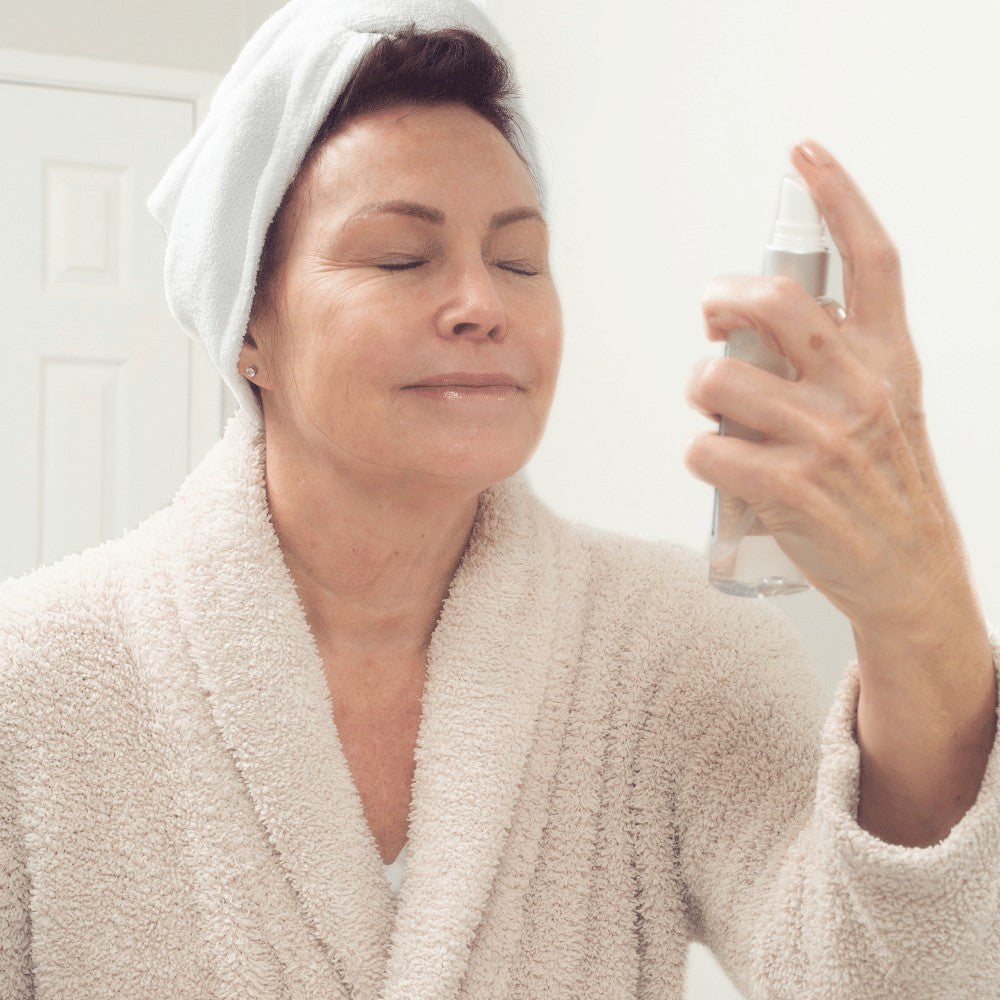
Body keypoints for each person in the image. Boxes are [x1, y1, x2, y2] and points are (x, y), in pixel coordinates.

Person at [1, 1, 997, 997]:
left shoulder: (679, 654)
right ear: (247, 330)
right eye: (400, 257)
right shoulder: (37, 679)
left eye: (519, 260)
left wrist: (920, 614)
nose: (484, 304)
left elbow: (880, 977)